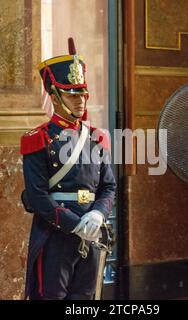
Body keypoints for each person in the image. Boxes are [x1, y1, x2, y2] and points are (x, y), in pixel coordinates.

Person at [20, 38, 116, 300]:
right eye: (72, 95)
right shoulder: (38, 139)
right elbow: (38, 197)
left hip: (92, 233)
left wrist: (97, 215)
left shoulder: (97, 137)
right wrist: (75, 225)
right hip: (56, 235)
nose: (80, 101)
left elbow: (108, 186)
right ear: (54, 97)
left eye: (83, 94)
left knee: (85, 299)